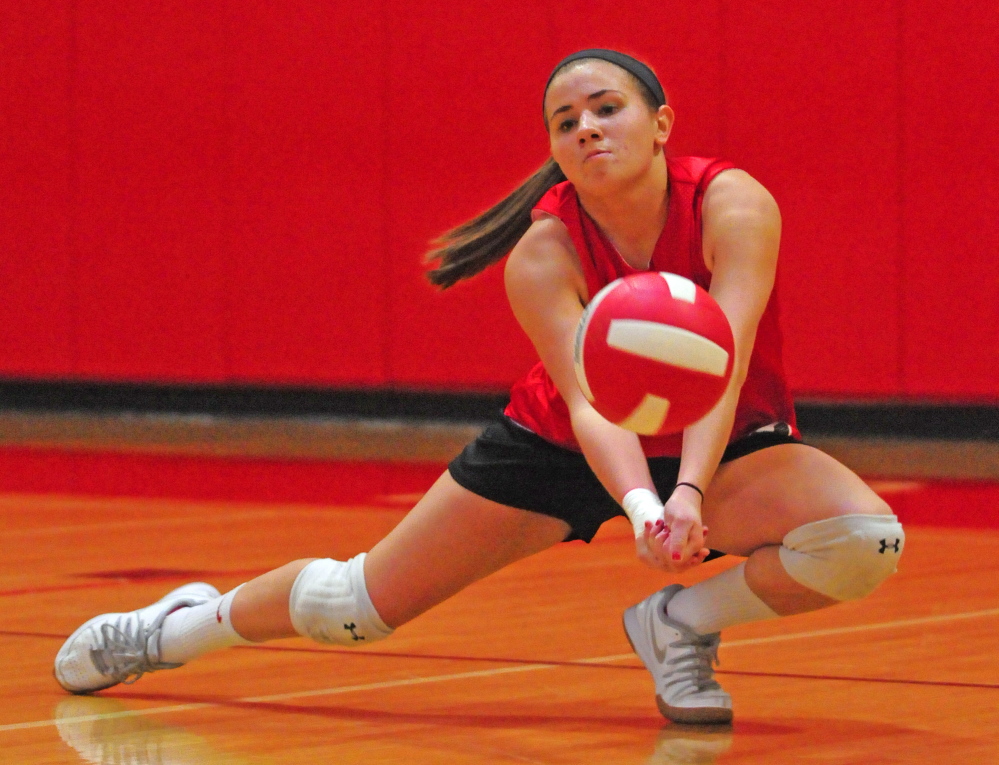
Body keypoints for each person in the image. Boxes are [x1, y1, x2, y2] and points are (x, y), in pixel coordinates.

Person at [54, 49, 904, 725]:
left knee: (861, 539)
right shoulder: (543, 253)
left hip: (716, 441)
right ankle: (174, 629)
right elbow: (588, 401)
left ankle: (678, 624)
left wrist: (685, 492)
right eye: (565, 121)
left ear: (660, 123)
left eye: (607, 108)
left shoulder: (732, 203)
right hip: (560, 446)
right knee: (353, 607)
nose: (587, 129)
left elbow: (724, 361)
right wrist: (646, 511)